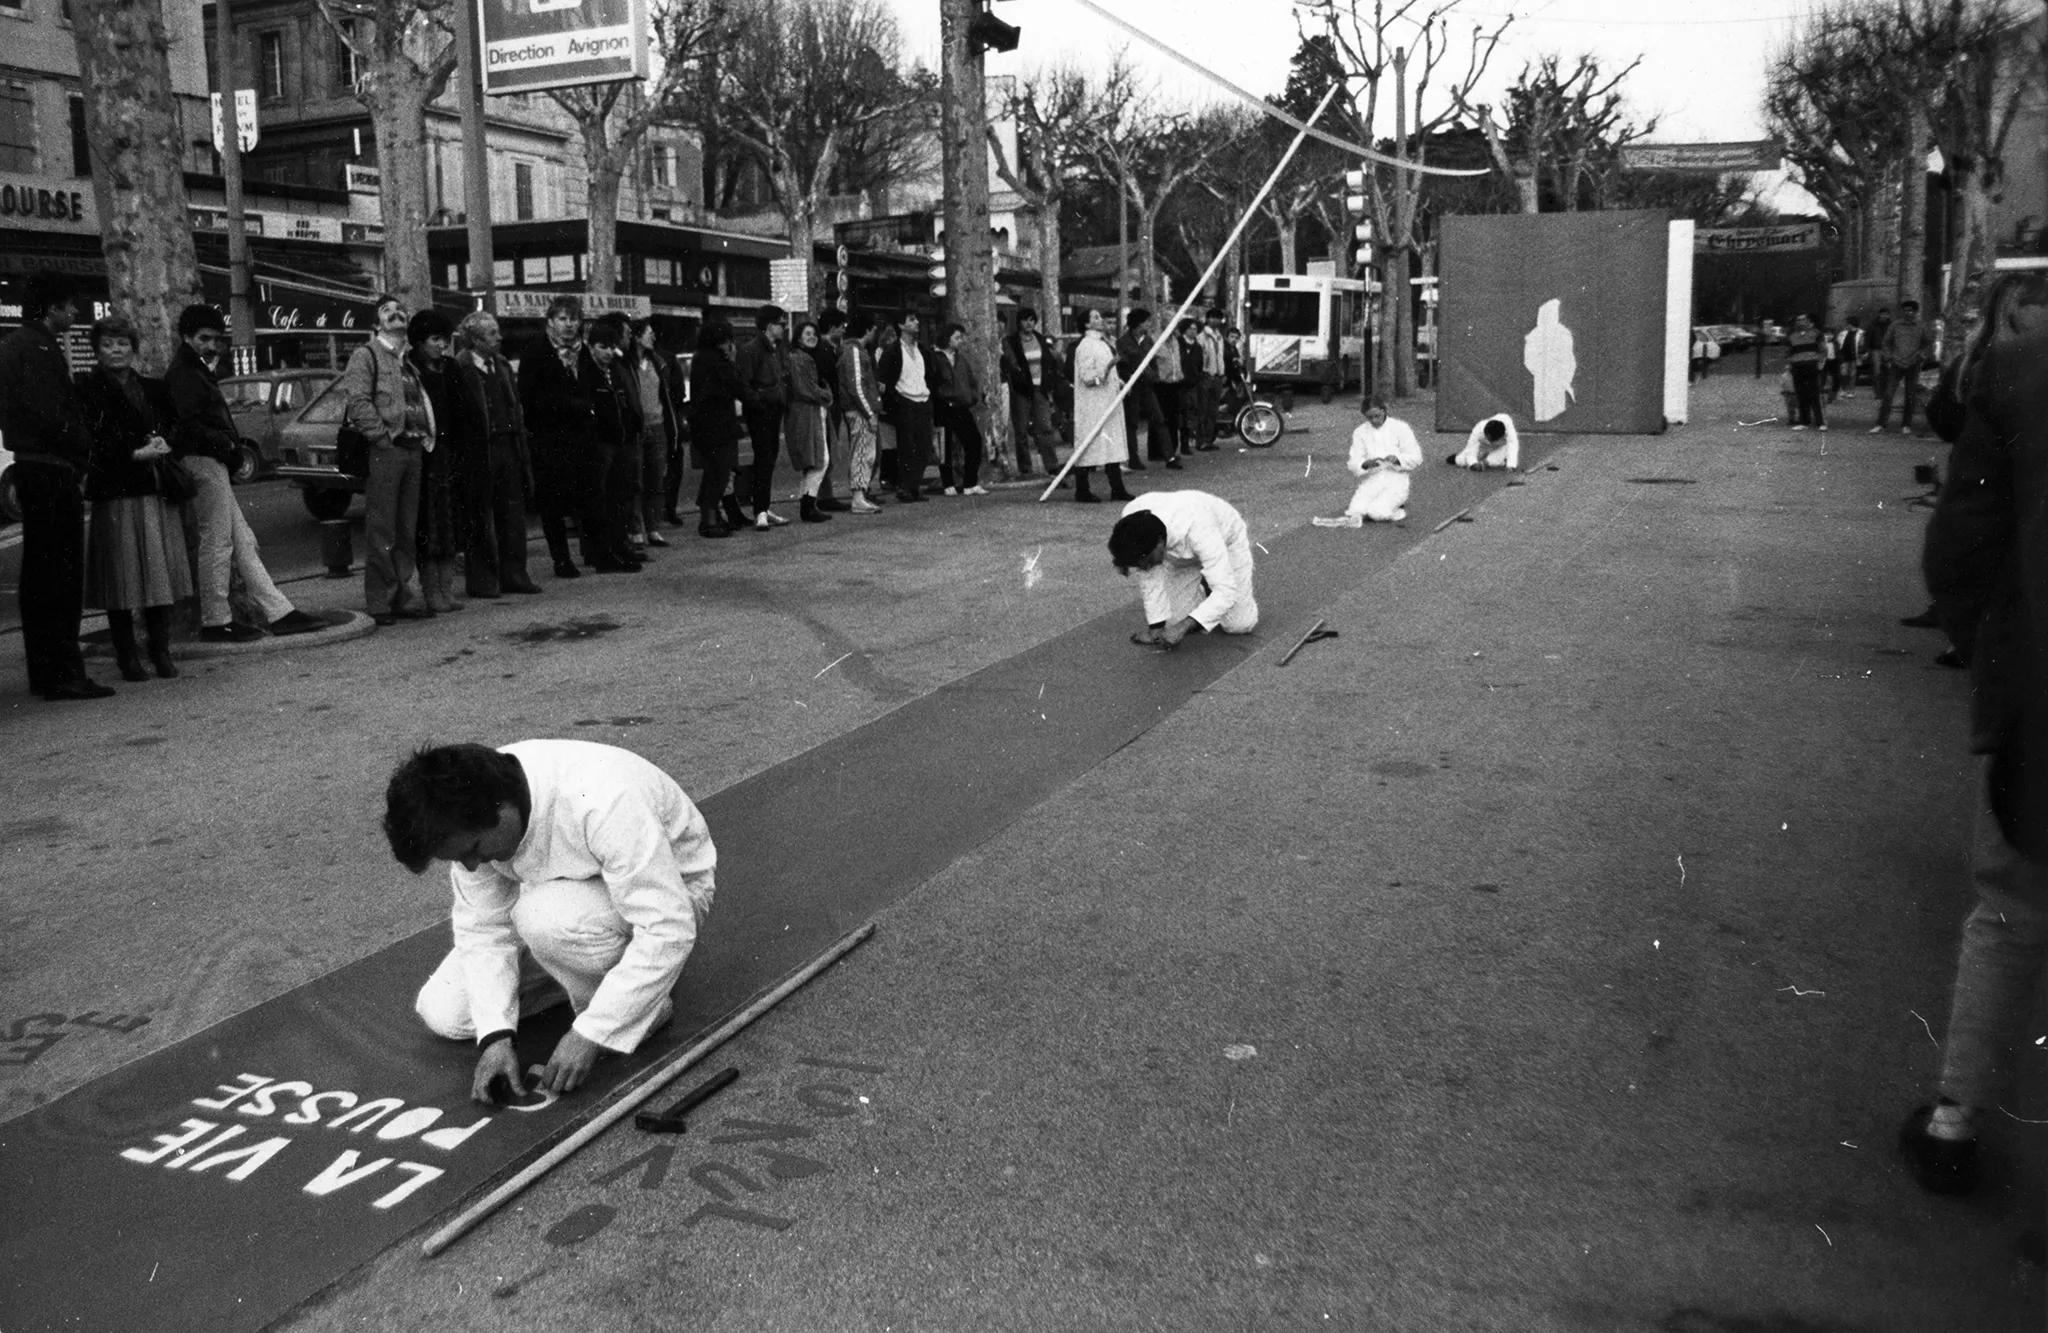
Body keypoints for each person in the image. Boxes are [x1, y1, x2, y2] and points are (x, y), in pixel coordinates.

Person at [1899, 272, 2048, 1196]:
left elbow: (1960, 549)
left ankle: (1955, 1121)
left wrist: (1988, 654)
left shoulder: (2019, 372)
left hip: (2039, 695)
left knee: (2011, 908)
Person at [384, 740, 717, 1102]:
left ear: (502, 808)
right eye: (459, 858)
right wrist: (496, 1037)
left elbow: (667, 927)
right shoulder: (470, 811)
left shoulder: (602, 798)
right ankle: (593, 974)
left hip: (672, 891)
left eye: (473, 850)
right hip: (566, 898)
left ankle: (642, 1010)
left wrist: (593, 1032)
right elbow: (484, 930)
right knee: (445, 1012)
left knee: (542, 917)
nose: (471, 865)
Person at [164, 304, 328, 640]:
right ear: (186, 337)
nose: (212, 345)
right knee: (219, 541)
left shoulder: (191, 369)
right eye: (204, 338)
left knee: (241, 540)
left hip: (209, 460)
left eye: (216, 339)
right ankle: (216, 620)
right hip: (204, 461)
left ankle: (278, 611)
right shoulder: (186, 373)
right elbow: (188, 426)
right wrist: (228, 447)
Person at [0, 273, 113, 698]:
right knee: (61, 576)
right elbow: (53, 415)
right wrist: (83, 449)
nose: (74, 312)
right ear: (52, 308)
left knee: (40, 574)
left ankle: (46, 672)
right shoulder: (39, 348)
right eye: (69, 305)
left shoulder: (15, 344)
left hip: (32, 468)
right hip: (52, 469)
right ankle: (65, 673)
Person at [78, 316, 191, 682]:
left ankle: (161, 651)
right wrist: (133, 453)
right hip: (117, 492)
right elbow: (91, 441)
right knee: (120, 580)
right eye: (108, 344)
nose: (116, 350)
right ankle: (127, 657)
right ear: (97, 351)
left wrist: (165, 441)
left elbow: (177, 425)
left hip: (155, 490)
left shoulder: (153, 388)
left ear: (134, 348)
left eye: (123, 343)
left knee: (159, 577)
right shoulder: (87, 390)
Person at [342, 294, 433, 621]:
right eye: (387, 310)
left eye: (400, 310)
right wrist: (382, 438)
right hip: (387, 450)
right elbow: (358, 403)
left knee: (406, 528)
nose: (396, 314)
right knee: (382, 528)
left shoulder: (407, 360)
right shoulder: (365, 355)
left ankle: (402, 598)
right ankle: (380, 601)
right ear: (376, 323)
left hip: (413, 450)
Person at [451, 311, 540, 597]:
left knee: (512, 514)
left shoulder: (501, 365)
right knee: (479, 516)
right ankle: (483, 580)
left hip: (508, 445)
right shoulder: (460, 367)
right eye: (492, 333)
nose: (499, 338)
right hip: (480, 449)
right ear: (475, 340)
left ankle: (515, 574)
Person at [1108, 490, 1258, 648]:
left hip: (1226, 539)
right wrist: (1155, 630)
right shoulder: (1132, 521)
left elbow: (1225, 590)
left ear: (1159, 543)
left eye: (1147, 561)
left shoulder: (1200, 529)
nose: (1145, 568)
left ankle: (1211, 581)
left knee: (1239, 625)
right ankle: (1206, 590)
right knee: (1173, 621)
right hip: (1179, 555)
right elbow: (1150, 580)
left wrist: (1184, 626)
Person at [406, 309, 468, 613]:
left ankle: (447, 588)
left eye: (445, 339)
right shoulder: (410, 370)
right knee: (427, 527)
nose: (442, 345)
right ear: (420, 341)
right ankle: (430, 590)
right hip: (424, 456)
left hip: (449, 453)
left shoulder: (451, 367)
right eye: (435, 339)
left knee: (450, 524)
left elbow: (463, 408)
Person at [580, 313, 644, 569]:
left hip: (619, 441)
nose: (608, 352)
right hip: (600, 444)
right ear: (591, 347)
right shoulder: (587, 372)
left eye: (611, 347)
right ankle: (601, 552)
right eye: (602, 347)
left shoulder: (614, 371)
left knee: (618, 497)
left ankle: (618, 545)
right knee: (600, 500)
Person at [1315, 399, 1422, 526]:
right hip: (1374, 478)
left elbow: (1416, 457)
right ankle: (1386, 503)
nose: (1374, 421)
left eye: (1377, 416)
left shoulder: (1400, 428)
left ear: (1384, 411)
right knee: (1356, 510)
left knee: (1377, 513)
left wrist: (1397, 459)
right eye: (1370, 418)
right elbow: (1353, 461)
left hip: (1397, 478)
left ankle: (1397, 510)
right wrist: (1365, 464)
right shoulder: (1360, 432)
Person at [1069, 307, 1134, 505]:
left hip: (1108, 402)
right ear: (1087, 324)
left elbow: (1108, 373)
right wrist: (1105, 372)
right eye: (1095, 317)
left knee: (1111, 445)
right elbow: (1087, 377)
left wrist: (1119, 382)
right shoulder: (1086, 346)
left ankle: (1117, 488)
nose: (1101, 319)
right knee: (1089, 445)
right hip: (1093, 405)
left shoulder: (1103, 343)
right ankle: (1082, 490)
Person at [734, 304, 791, 528]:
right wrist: (759, 404)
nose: (784, 328)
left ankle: (763, 508)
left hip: (773, 409)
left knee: (769, 459)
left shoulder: (777, 348)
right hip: (761, 411)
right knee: (763, 459)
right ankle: (760, 510)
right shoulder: (751, 349)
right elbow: (744, 384)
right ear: (769, 326)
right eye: (781, 324)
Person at [687, 319, 746, 539]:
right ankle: (709, 520)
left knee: (713, 474)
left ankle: (710, 516)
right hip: (718, 426)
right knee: (719, 474)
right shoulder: (717, 361)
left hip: (704, 426)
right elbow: (736, 385)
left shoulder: (700, 358)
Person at [625, 320, 680, 547]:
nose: (653, 337)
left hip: (657, 425)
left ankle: (653, 527)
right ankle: (636, 529)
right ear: (637, 337)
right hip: (637, 427)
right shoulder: (627, 364)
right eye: (649, 333)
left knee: (656, 479)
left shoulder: (657, 361)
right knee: (636, 481)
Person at [877, 312, 936, 503]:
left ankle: (914, 485)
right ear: (901, 325)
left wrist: (929, 393)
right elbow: (884, 379)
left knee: (924, 447)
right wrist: (894, 400)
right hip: (904, 401)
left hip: (923, 400)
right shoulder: (892, 351)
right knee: (906, 447)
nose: (917, 322)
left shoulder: (922, 350)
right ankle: (904, 487)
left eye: (916, 319)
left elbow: (930, 374)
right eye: (911, 319)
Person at [1002, 308, 1064, 478]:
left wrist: (1048, 385)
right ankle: (1026, 468)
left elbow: (1051, 363)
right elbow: (1011, 364)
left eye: (1032, 320)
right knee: (1021, 429)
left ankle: (1051, 465)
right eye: (1025, 320)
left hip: (1040, 389)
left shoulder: (1041, 340)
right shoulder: (1011, 341)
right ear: (1019, 322)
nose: (1029, 324)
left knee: (1045, 427)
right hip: (1022, 391)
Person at [784, 318, 835, 522]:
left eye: (814, 334)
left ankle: (808, 504)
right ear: (798, 337)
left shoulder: (801, 356)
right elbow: (804, 388)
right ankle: (808, 505)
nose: (812, 337)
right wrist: (826, 395)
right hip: (806, 411)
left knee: (814, 458)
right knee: (820, 459)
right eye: (807, 334)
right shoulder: (800, 358)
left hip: (805, 410)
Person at [932, 322, 988, 496]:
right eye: (957, 337)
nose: (960, 341)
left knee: (974, 442)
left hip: (961, 406)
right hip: (943, 406)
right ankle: (947, 482)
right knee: (944, 445)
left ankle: (970, 482)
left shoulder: (960, 358)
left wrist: (974, 396)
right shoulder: (935, 358)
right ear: (947, 338)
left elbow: (971, 379)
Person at [838, 312, 885, 515]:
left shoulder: (852, 351)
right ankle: (858, 497)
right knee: (862, 452)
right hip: (860, 411)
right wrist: (869, 412)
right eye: (873, 330)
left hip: (859, 409)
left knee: (865, 452)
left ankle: (861, 495)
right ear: (867, 330)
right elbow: (856, 386)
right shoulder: (855, 352)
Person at [1116, 308, 1170, 467]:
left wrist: (1154, 375)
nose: (1149, 324)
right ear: (1138, 324)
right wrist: (1130, 377)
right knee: (1132, 423)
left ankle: (1169, 456)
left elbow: (1153, 361)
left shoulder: (1148, 341)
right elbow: (1122, 366)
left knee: (1159, 419)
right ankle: (1133, 458)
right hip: (1132, 388)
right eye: (1147, 322)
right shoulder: (1122, 342)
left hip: (1147, 387)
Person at [810, 310, 852, 512]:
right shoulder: (824, 350)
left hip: (831, 403)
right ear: (833, 327)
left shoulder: (830, 348)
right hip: (828, 404)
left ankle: (824, 494)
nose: (844, 331)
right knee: (826, 448)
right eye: (842, 327)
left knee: (828, 447)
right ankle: (823, 495)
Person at [1872, 299, 1930, 435]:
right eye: (1905, 310)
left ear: (1915, 312)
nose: (1908, 313)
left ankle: (1906, 424)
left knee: (1910, 395)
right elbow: (1886, 342)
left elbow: (1927, 343)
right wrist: (1888, 357)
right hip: (1896, 363)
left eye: (1911, 310)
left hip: (1913, 363)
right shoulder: (1895, 325)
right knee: (1888, 394)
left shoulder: (1921, 326)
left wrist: (1921, 356)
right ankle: (1881, 424)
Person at [1149, 316, 1187, 469]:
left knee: (1173, 418)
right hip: (1161, 384)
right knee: (1160, 418)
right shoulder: (1155, 339)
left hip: (1175, 382)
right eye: (1170, 322)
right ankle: (1156, 452)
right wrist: (1156, 376)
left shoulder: (1175, 340)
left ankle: (1170, 450)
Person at [1194, 308, 1229, 451]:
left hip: (1217, 377)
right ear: (1207, 319)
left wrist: (1222, 373)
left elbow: (1220, 357)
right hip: (1206, 376)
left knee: (1213, 411)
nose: (1215, 321)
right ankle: (1200, 441)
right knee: (1202, 410)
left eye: (1218, 318)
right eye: (1213, 318)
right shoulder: (1201, 337)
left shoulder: (1219, 337)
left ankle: (1208, 440)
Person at [1786, 313, 1827, 431]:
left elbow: (1823, 349)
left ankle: (1821, 422)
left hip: (1811, 366)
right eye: (1798, 320)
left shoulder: (1816, 334)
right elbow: (1788, 352)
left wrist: (1820, 363)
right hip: (1797, 367)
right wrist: (1790, 363)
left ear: (1808, 321)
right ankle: (1804, 422)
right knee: (1801, 395)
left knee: (1815, 394)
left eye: (1803, 319)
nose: (1800, 322)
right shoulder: (1792, 336)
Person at [1447, 413, 1519, 470]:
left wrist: (1511, 465)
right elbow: (1471, 448)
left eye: (1491, 439)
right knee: (1463, 461)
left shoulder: (1508, 425)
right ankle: (1456, 458)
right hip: (1483, 447)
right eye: (1488, 437)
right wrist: (1473, 464)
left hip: (1500, 446)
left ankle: (1487, 462)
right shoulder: (1478, 429)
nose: (1489, 440)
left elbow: (1513, 445)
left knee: (1508, 449)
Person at [1834, 316, 1864, 399]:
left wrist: (1862, 354)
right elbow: (1838, 342)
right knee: (1844, 374)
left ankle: (1851, 391)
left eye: (1848, 323)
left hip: (1854, 357)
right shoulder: (1843, 333)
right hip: (1844, 356)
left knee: (1852, 375)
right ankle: (1844, 390)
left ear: (1851, 324)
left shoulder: (1861, 333)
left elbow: (1862, 345)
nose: (1846, 325)